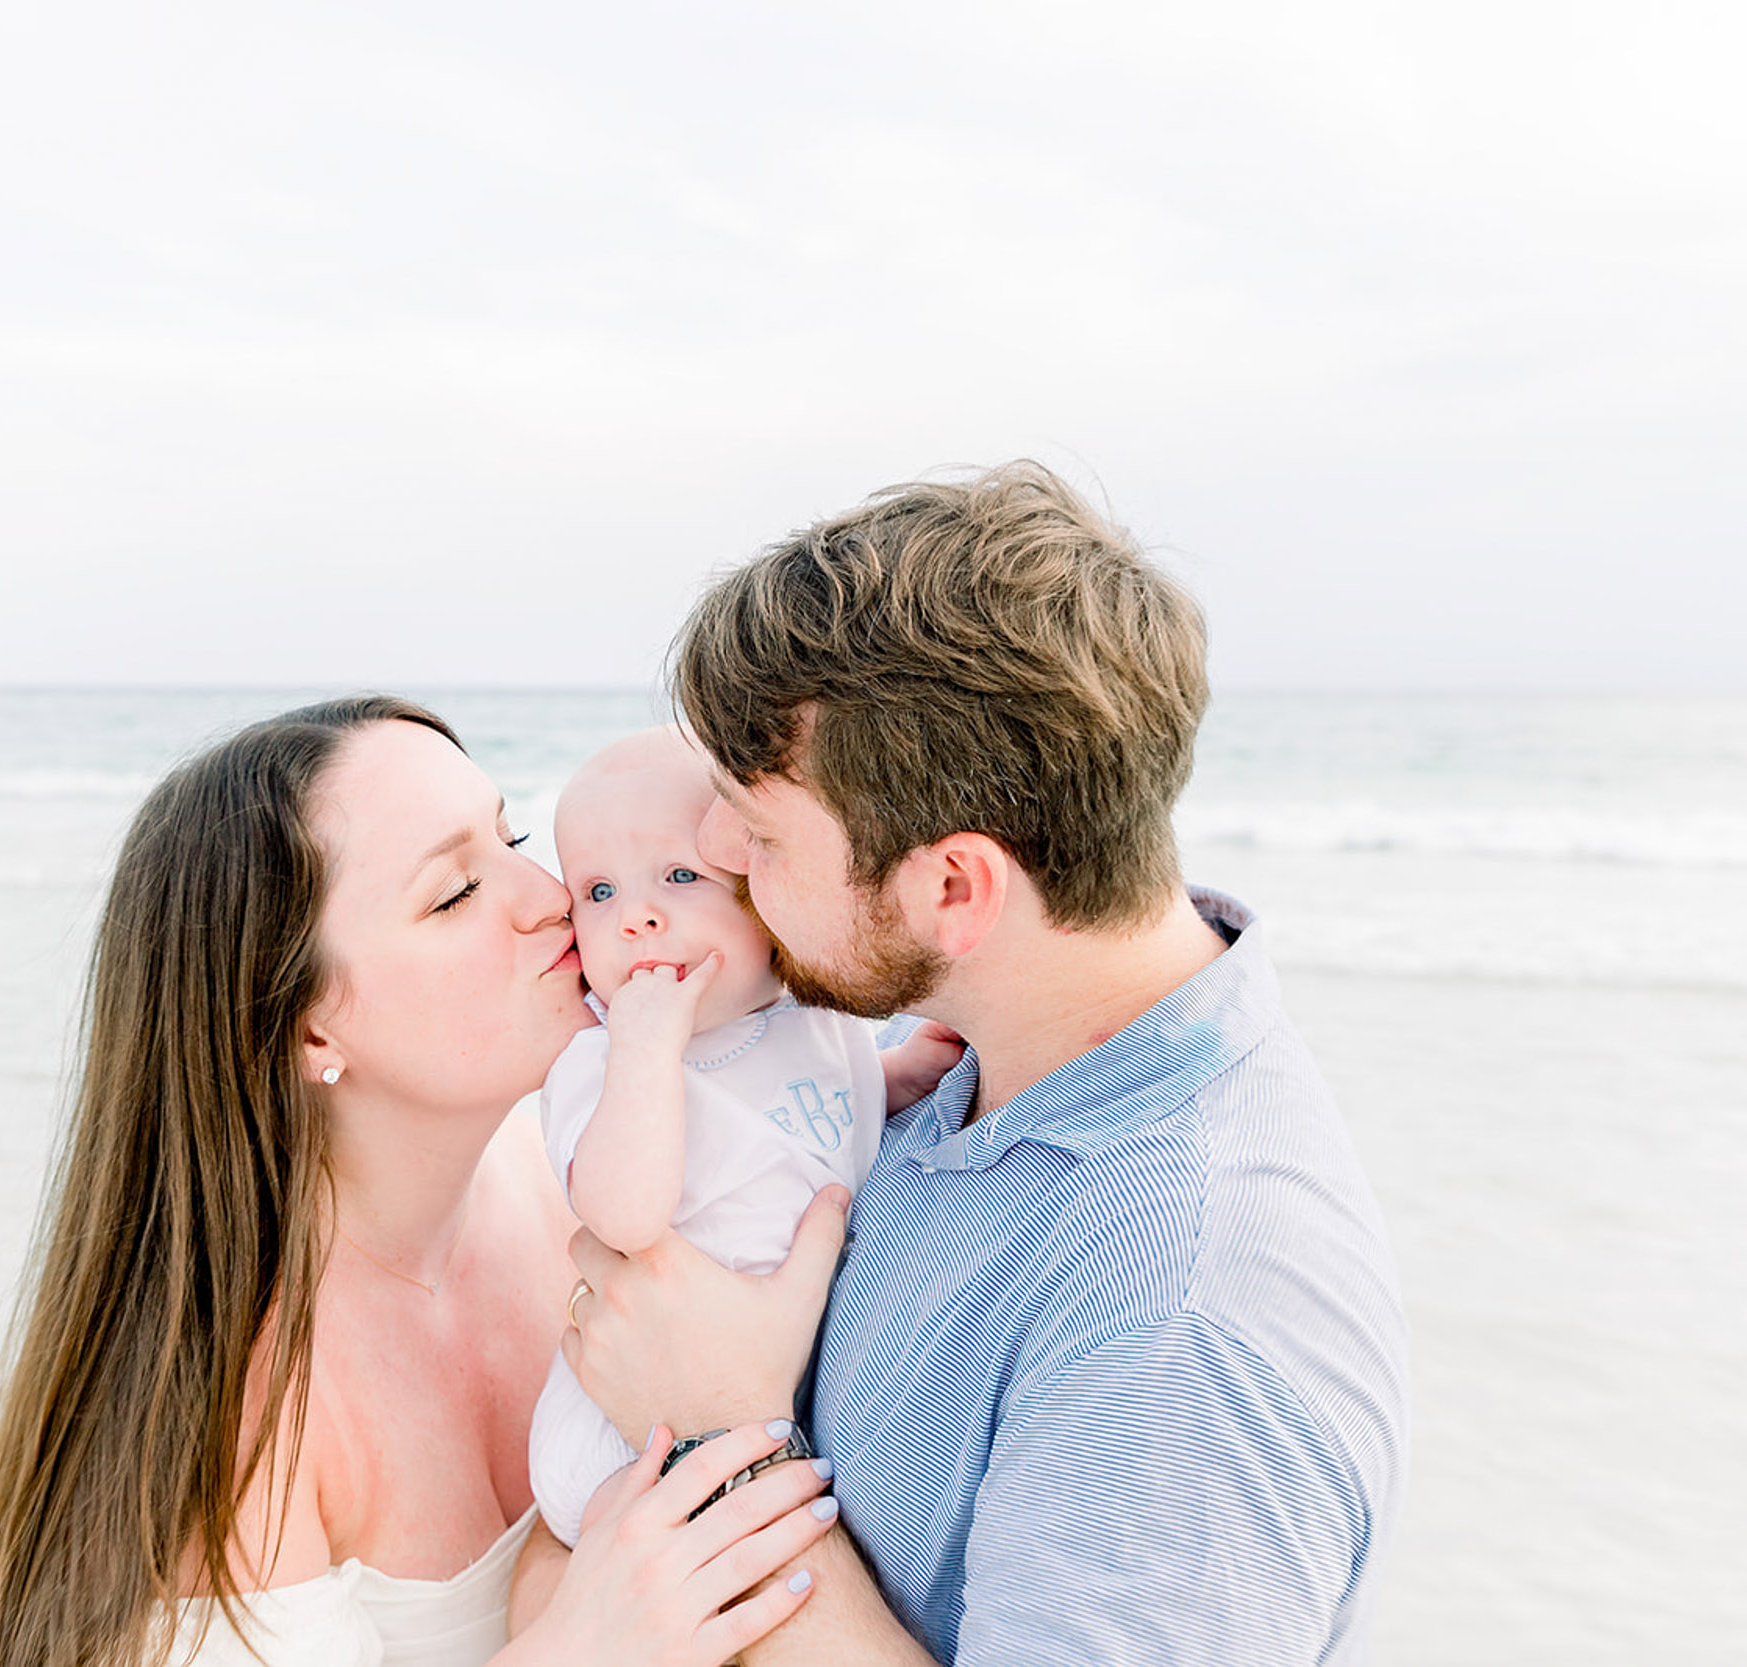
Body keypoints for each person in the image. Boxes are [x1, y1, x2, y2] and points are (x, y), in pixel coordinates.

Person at [536, 465, 1412, 1663]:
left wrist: (725, 1432)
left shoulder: (1175, 1338)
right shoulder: (964, 1054)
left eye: (763, 826)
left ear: (951, 887)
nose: (713, 844)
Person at [0, 696, 842, 1667]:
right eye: (456, 891)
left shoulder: (591, 1176)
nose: (551, 894)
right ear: (308, 1028)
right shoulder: (242, 1416)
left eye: (512, 835)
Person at [524, 728, 962, 1547]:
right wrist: (647, 1047)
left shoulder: (818, 1019)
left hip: (774, 1389)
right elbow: (623, 1216)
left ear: (768, 891)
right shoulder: (601, 1061)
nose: (637, 917)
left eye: (681, 876)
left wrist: (904, 1073)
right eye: (599, 891)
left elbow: (836, 1115)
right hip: (628, 1424)